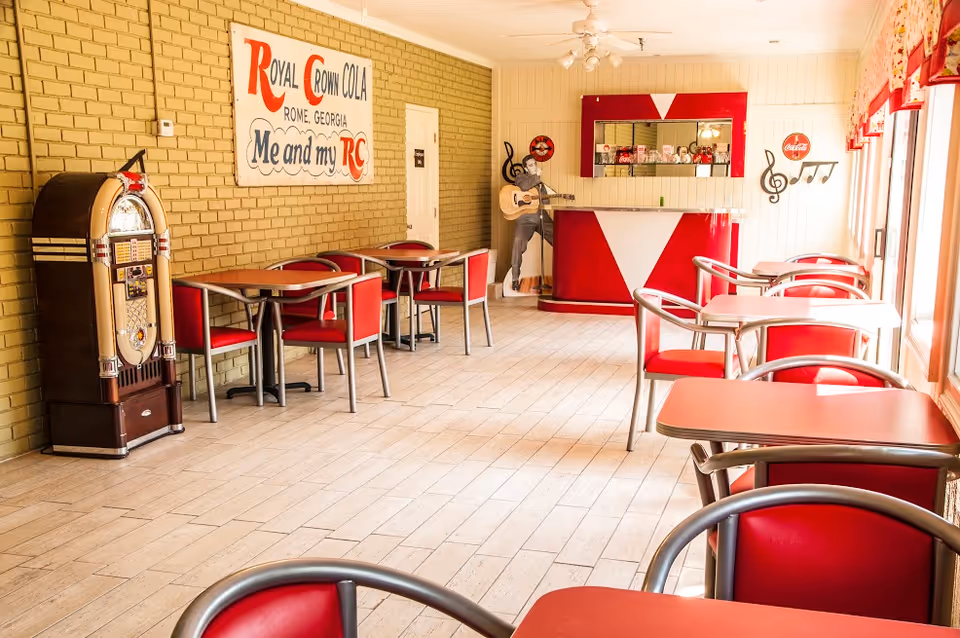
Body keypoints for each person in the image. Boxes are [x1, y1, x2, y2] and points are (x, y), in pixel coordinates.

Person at [510, 155, 555, 292]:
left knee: (560, 237)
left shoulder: (540, 183)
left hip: (541, 216)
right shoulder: (521, 177)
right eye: (530, 165)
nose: (534, 167)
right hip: (525, 219)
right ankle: (515, 279)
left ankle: (566, 273)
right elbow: (524, 186)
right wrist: (536, 177)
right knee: (518, 241)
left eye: (535, 164)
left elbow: (546, 202)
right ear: (525, 168)